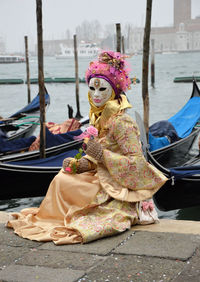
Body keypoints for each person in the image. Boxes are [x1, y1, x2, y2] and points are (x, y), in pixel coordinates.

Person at [7, 51, 167, 245]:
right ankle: (52, 216)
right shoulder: (100, 118)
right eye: (93, 89)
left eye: (102, 90)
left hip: (115, 185)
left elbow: (138, 164)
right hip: (100, 175)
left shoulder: (123, 122)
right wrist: (82, 164)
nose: (96, 95)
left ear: (114, 90)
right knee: (61, 178)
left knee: (71, 185)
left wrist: (102, 155)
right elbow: (95, 157)